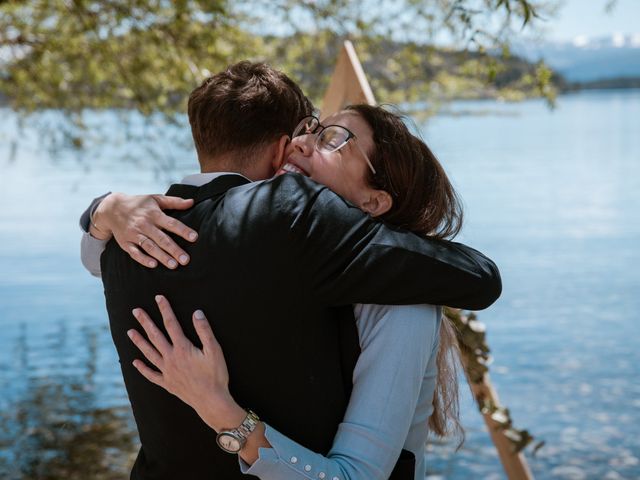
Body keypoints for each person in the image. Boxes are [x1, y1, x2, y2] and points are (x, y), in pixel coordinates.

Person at [79, 62, 501, 480]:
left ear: (375, 201)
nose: (303, 144)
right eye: (310, 131)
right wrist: (106, 209)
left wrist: (222, 412)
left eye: (333, 138)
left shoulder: (400, 304)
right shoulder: (276, 230)